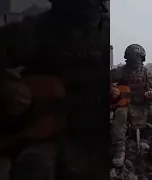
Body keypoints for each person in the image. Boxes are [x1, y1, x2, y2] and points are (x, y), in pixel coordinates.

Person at [0, 0, 109, 179]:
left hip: (95, 143)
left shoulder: (110, 35)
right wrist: (5, 86)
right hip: (42, 141)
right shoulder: (36, 31)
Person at [110, 44, 152, 167]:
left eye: (137, 58)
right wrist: (111, 88)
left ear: (142, 58)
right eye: (132, 58)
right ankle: (120, 150)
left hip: (143, 105)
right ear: (127, 59)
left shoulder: (147, 73)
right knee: (119, 116)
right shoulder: (121, 70)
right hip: (125, 105)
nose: (135, 60)